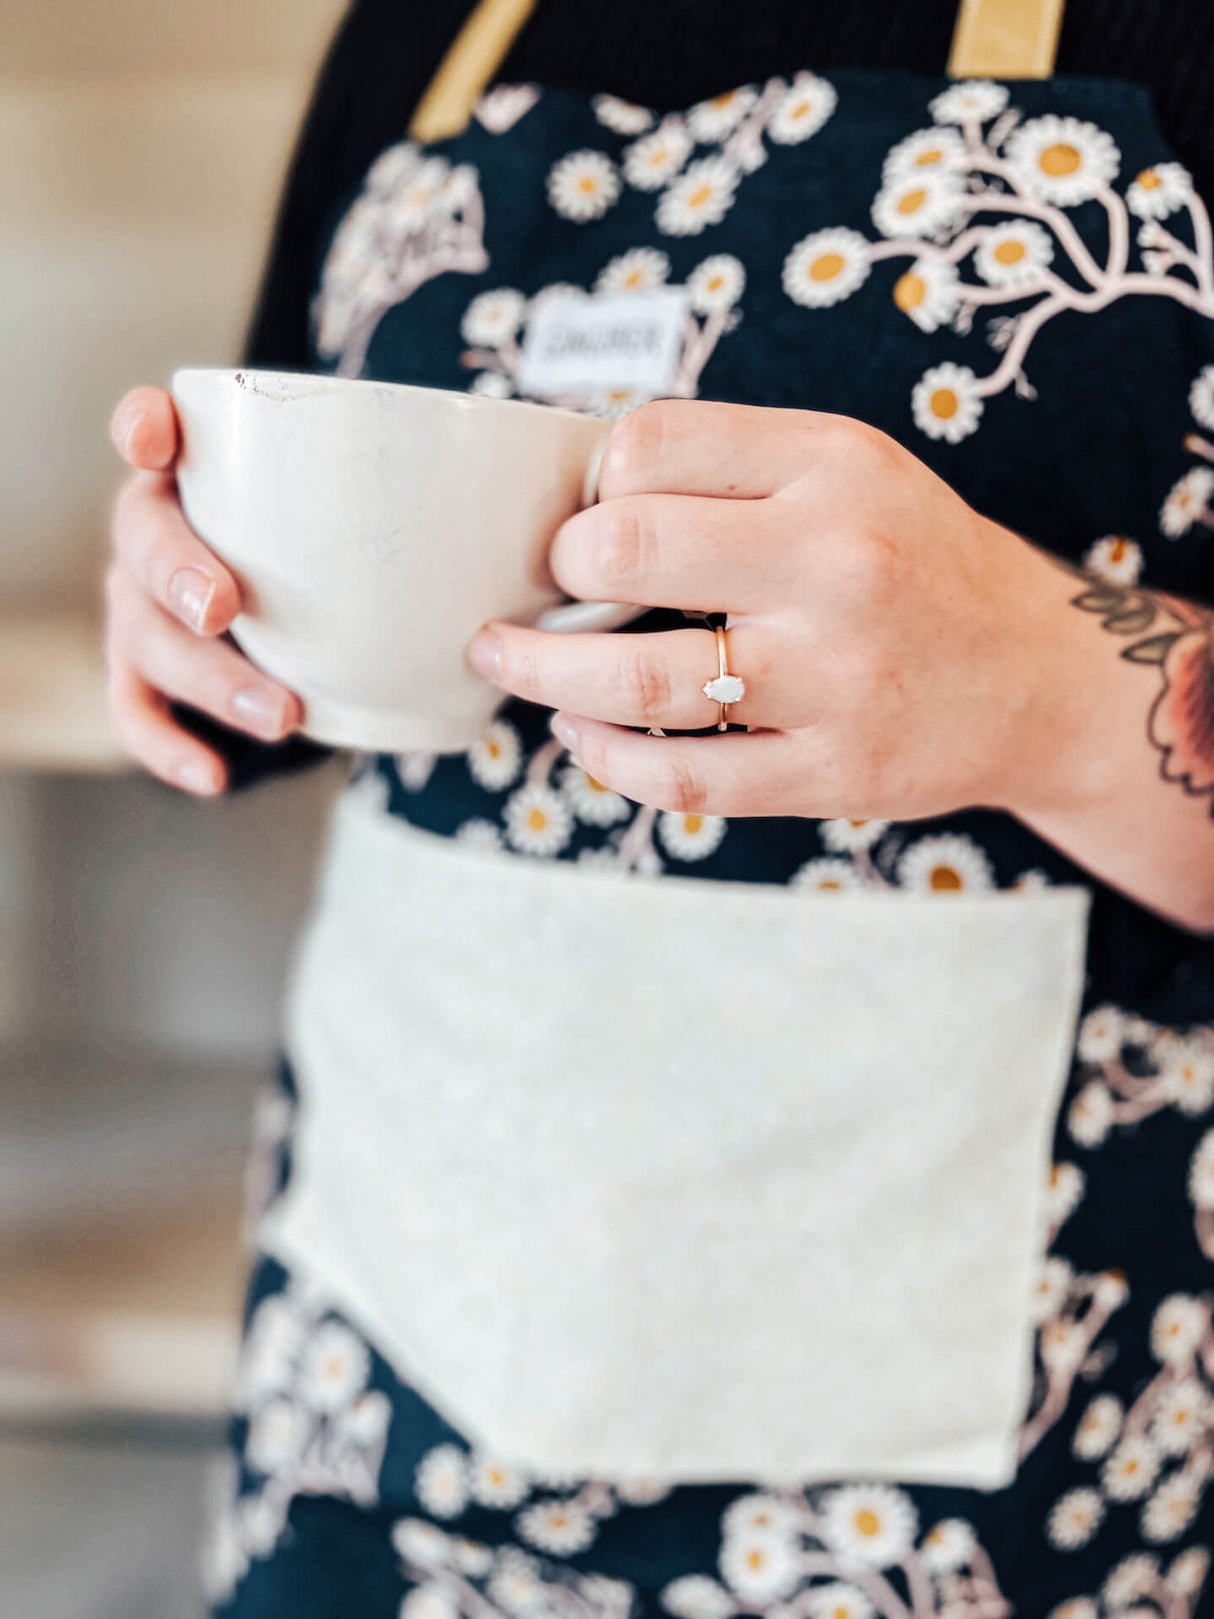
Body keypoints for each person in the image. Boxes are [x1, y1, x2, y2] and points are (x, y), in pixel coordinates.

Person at [105, 0, 1214, 1610]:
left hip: (974, 1483)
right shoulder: (416, 30)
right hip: (379, 1383)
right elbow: (291, 559)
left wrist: (1052, 683)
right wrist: (198, 607)